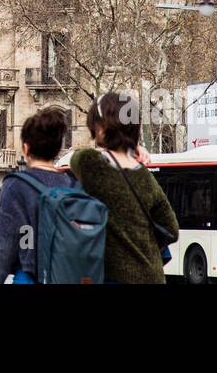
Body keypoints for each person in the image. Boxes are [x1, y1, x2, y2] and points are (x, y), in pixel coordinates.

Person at [68, 92, 179, 284]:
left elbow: (75, 159)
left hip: (113, 276)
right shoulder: (144, 175)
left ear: (101, 126)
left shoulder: (90, 163)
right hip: (152, 275)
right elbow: (171, 229)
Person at [0, 106, 75, 284]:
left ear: (26, 149)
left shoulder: (16, 186)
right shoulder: (72, 184)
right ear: (57, 149)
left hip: (31, 276)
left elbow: (2, 247)